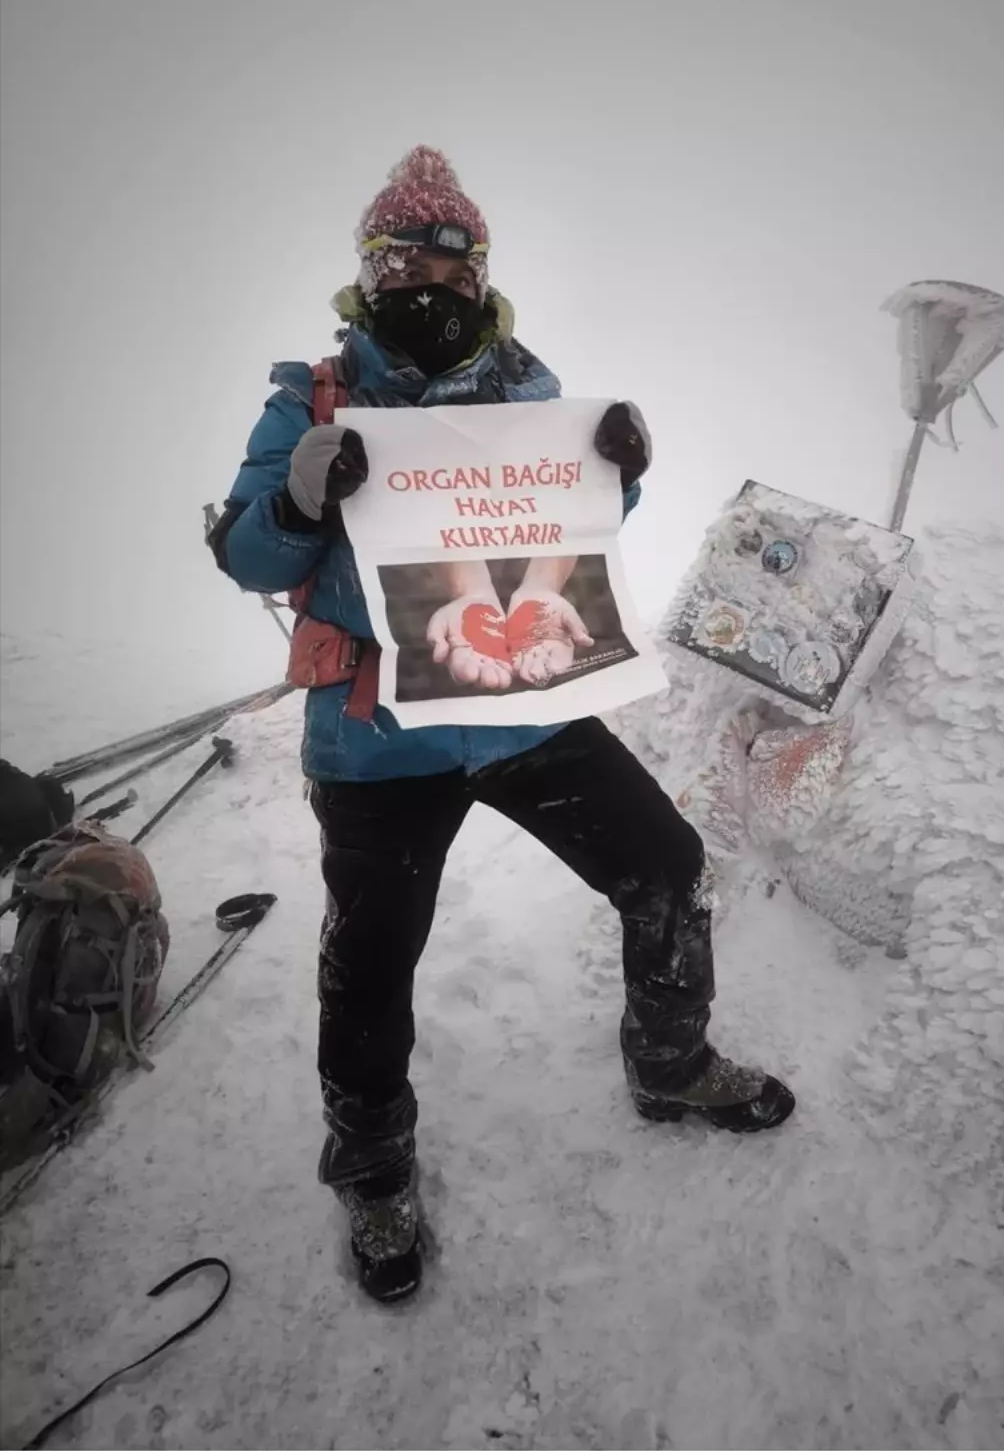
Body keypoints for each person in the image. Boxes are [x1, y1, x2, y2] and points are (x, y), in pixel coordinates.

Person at [209, 147, 794, 1304]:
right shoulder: (311, 400)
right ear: (364, 272)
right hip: (380, 735)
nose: (413, 270)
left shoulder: (529, 388)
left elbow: (572, 519)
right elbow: (246, 552)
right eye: (391, 253)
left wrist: (622, 473)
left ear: (477, 269)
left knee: (669, 870)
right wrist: (295, 497)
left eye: (437, 250)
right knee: (369, 971)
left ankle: (670, 1064)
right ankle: (374, 1168)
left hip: (523, 706)